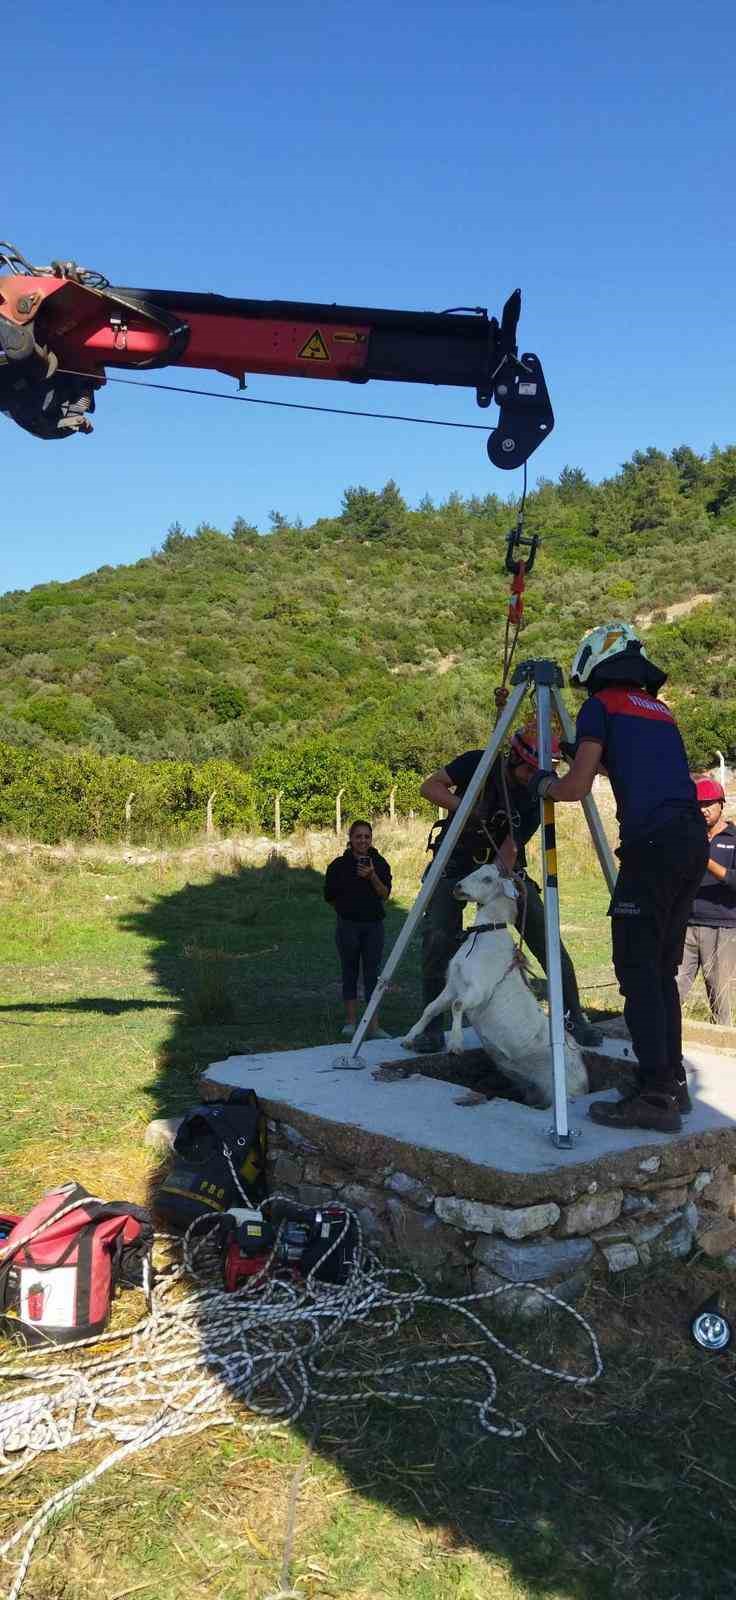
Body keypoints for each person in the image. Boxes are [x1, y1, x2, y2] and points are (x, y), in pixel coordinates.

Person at [525, 621, 708, 1133]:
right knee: (661, 970)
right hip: (689, 840)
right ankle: (670, 1083)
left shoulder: (601, 705)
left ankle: (654, 1098)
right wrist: (582, 753)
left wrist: (543, 782)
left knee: (636, 968)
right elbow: (631, 765)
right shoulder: (659, 711)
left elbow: (575, 788)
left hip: (651, 845)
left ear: (594, 663)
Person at [411, 722, 603, 1053]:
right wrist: (466, 807)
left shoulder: (535, 793)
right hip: (455, 863)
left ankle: (573, 1016)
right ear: (514, 757)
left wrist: (498, 884)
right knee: (438, 936)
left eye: (539, 771)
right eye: (529, 768)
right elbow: (429, 787)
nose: (533, 776)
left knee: (543, 932)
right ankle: (431, 1028)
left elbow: (509, 850)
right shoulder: (478, 763)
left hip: (501, 869)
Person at [324, 820, 392, 1039]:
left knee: (373, 974)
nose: (363, 840)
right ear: (350, 839)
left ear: (371, 839)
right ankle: (351, 1022)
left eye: (366, 836)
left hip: (374, 927)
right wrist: (346, 911)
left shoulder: (380, 863)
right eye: (358, 836)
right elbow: (330, 896)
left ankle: (374, 1025)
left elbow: (385, 894)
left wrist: (372, 876)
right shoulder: (338, 866)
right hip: (348, 926)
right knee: (350, 972)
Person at [677, 778, 736, 1025]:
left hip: (722, 926)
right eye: (698, 804)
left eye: (709, 803)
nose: (703, 809)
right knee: (673, 986)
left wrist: (706, 861)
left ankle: (724, 1043)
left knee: (720, 996)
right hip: (685, 923)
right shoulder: (688, 838)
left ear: (722, 804)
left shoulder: (733, 838)